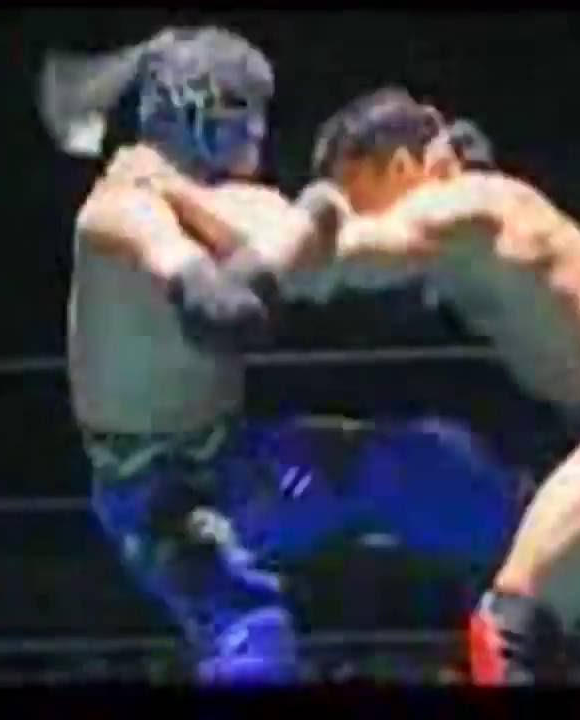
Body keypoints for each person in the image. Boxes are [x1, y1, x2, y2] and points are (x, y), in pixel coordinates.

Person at [134, 86, 580, 684]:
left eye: (354, 194)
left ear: (400, 166)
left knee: (507, 634)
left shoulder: (459, 205)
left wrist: (183, 198)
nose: (351, 211)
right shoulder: (494, 211)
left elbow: (333, 256)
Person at [41, 32, 521, 685]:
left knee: (428, 462)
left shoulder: (207, 195)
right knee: (250, 632)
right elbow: (216, 307)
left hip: (234, 455)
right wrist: (301, 222)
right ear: (196, 108)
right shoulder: (121, 210)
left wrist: (428, 202)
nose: (259, 129)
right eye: (244, 108)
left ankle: (552, 574)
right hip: (155, 491)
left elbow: (327, 248)